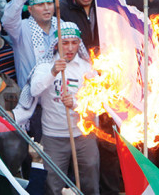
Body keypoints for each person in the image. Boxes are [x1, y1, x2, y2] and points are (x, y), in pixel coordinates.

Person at [30, 20, 98, 195]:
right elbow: (34, 90)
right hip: (53, 136)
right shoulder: (44, 66)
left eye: (74, 43)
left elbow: (97, 104)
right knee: (53, 186)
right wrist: (53, 72)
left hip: (83, 135)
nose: (70, 48)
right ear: (56, 44)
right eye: (65, 43)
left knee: (90, 182)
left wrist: (75, 104)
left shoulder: (87, 68)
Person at [2, 0, 58, 87]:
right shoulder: (21, 29)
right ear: (30, 10)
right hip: (32, 95)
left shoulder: (61, 25)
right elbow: (7, 20)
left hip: (59, 92)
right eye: (40, 4)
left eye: (49, 3)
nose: (46, 8)